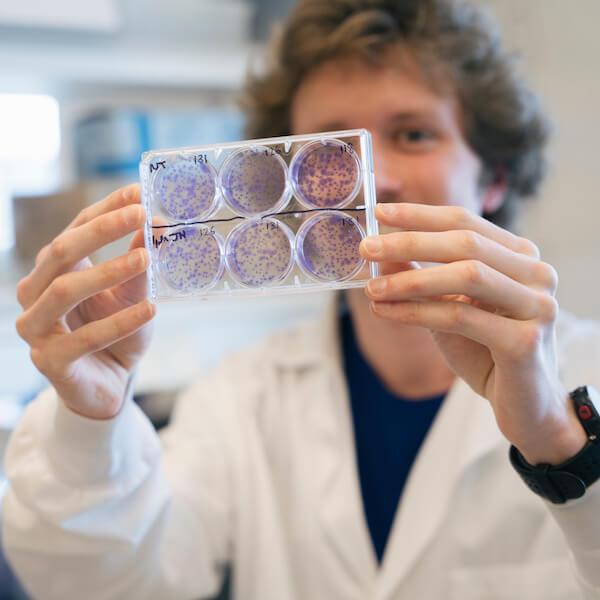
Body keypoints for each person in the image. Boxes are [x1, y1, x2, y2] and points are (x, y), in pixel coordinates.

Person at [5, 0, 600, 598]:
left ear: (494, 175)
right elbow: (116, 586)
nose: (370, 179)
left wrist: (561, 446)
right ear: (273, 192)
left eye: (413, 134)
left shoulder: (589, 369)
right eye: (328, 153)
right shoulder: (240, 398)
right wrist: (90, 424)